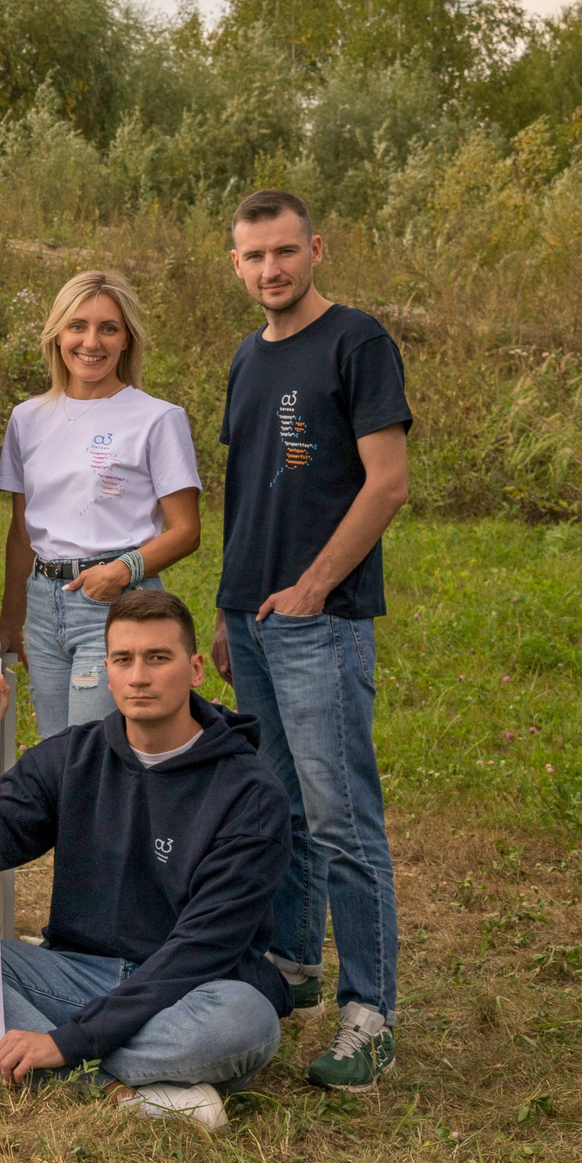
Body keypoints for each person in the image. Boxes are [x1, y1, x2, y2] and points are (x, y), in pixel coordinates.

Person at [210, 188, 412, 1093]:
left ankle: (370, 1013)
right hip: (252, 620)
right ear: (236, 264)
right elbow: (246, 490)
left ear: (317, 248)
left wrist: (314, 587)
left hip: (319, 621)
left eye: (285, 252)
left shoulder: (358, 342)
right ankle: (292, 962)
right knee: (280, 806)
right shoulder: (246, 359)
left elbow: (386, 483)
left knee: (341, 819)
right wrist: (229, 605)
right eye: (254, 257)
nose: (270, 270)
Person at [0, 589, 293, 1133]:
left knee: (247, 1022)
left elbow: (203, 949)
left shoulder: (251, 794)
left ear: (196, 668)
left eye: (158, 658)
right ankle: (122, 1093)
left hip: (194, 987)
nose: (139, 677)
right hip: (79, 972)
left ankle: (52, 1063)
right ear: (106, 672)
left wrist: (68, 1040)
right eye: (123, 660)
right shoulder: (70, 759)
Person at [0, 270, 203, 737]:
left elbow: (186, 530)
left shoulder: (157, 418)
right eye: (78, 326)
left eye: (108, 328)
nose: (91, 342)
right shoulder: (27, 419)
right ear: (57, 334)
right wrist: (12, 623)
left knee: (98, 751)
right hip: (45, 604)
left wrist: (122, 571)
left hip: (116, 601)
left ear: (126, 338)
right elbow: (22, 533)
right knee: (57, 751)